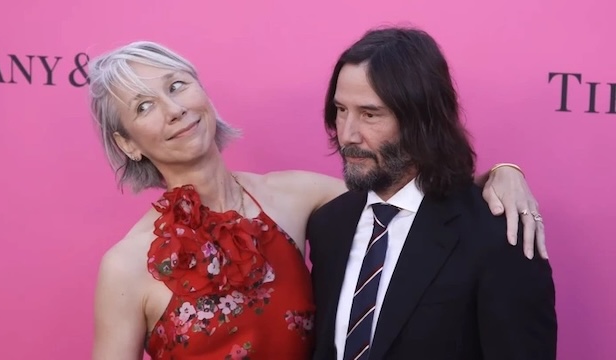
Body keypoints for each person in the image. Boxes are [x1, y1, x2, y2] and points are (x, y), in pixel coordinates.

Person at [87, 40, 548, 360]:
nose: (173, 109)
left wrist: (502, 174)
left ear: (202, 90)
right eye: (143, 106)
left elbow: (415, 201)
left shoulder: (300, 198)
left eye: (175, 85)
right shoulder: (126, 266)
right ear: (128, 143)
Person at [306, 26, 557, 360]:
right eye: (340, 110)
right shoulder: (329, 225)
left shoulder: (497, 237)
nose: (348, 134)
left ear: (420, 120)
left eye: (370, 114)